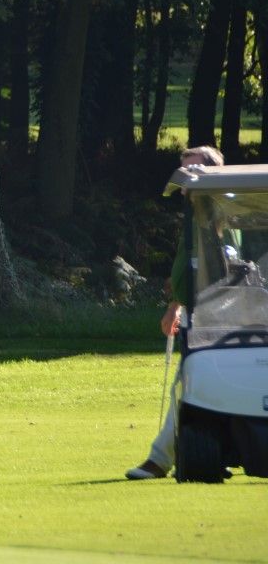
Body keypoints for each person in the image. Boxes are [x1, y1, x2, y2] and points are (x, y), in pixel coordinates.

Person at [126, 145, 223, 480]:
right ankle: (204, 451)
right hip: (201, 316)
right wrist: (176, 305)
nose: (187, 183)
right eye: (185, 175)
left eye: (194, 173)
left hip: (221, 319)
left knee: (189, 385)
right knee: (194, 386)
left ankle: (160, 459)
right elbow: (187, 272)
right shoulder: (194, 217)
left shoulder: (221, 215)